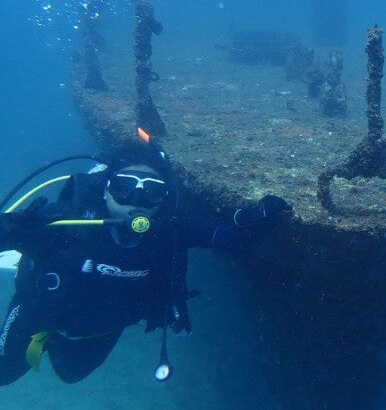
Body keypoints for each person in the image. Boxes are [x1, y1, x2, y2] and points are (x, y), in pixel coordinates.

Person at [0, 132, 292, 384]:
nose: (136, 202)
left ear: (164, 199)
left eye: (151, 191)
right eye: (125, 187)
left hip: (101, 329)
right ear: (105, 190)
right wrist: (17, 229)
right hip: (38, 313)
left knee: (72, 374)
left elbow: (232, 239)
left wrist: (255, 217)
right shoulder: (67, 221)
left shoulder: (172, 227)